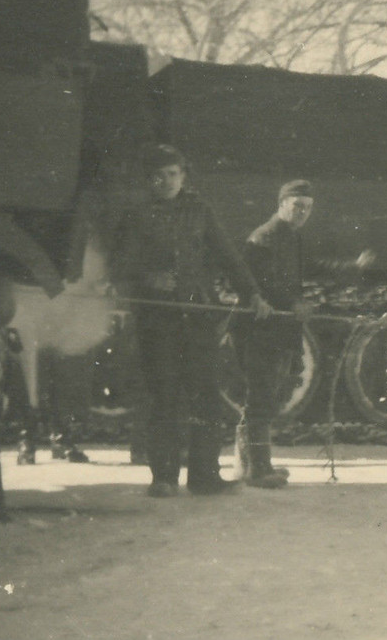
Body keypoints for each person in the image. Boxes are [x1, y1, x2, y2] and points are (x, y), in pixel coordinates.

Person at [111, 144, 272, 497]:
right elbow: (120, 266)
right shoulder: (136, 215)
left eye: (173, 174)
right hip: (158, 320)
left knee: (206, 397)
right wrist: (148, 277)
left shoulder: (199, 210)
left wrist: (253, 293)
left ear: (184, 176)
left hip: (199, 316)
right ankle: (164, 478)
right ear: (147, 180)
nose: (166, 181)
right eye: (158, 175)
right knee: (164, 397)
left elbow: (228, 255)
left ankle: (204, 476)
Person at [231, 179, 373, 488]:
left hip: (278, 329)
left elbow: (308, 267)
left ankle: (251, 465)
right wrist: (294, 302)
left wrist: (350, 267)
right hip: (260, 329)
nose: (302, 213)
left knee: (268, 396)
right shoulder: (264, 238)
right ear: (281, 204)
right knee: (261, 398)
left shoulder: (289, 237)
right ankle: (257, 469)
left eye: (307, 208)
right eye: (297, 206)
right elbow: (261, 283)